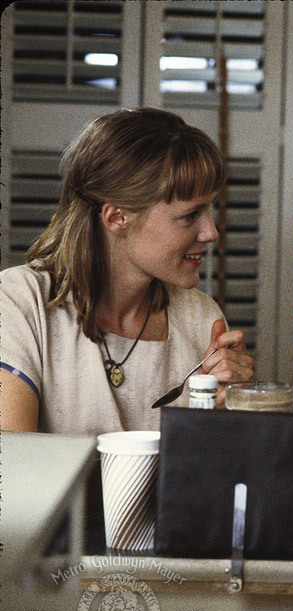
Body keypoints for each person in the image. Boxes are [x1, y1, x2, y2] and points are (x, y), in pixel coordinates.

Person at [0, 107, 255, 436]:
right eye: (190, 215)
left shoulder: (200, 318)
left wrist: (230, 410)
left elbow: (213, 474)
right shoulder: (20, 303)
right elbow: (14, 464)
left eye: (209, 209)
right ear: (117, 218)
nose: (211, 232)